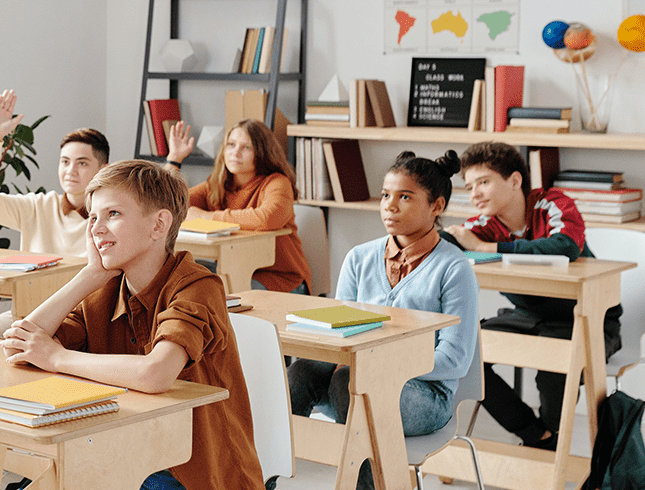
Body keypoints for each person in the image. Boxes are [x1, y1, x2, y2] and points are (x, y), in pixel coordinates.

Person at [2, 160, 262, 490]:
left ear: (158, 225)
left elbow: (156, 373)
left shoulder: (198, 286)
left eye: (113, 214)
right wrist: (89, 275)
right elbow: (18, 348)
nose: (95, 228)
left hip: (190, 473)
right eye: (93, 217)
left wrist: (56, 358)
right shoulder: (104, 291)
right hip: (123, 454)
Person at [287, 151, 479, 489]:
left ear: (437, 206)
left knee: (353, 385)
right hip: (352, 381)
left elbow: (455, 360)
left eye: (405, 197)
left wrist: (380, 367)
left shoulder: (454, 268)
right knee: (301, 371)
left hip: (425, 395)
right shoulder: (359, 257)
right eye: (387, 195)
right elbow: (338, 330)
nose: (390, 206)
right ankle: (261, 480)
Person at [444, 140, 624, 451]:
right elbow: (449, 242)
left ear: (515, 181)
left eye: (483, 182)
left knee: (553, 372)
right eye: (469, 186)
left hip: (588, 319)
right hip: (528, 317)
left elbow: (566, 246)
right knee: (461, 353)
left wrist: (490, 249)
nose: (474, 194)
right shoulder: (485, 225)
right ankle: (538, 437)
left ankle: (549, 450)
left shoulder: (553, 203)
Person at [0, 89, 110, 337]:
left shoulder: (113, 216)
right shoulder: (38, 206)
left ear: (103, 169)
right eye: (65, 161)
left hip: (83, 319)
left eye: (82, 163)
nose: (70, 171)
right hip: (27, 313)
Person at [165, 119, 311, 294]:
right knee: (177, 280)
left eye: (246, 148)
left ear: (262, 153)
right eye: (231, 144)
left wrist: (206, 217)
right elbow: (166, 201)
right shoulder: (217, 183)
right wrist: (174, 160)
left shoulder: (277, 182)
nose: (235, 153)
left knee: (205, 291)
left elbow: (268, 218)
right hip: (232, 269)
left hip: (280, 281)